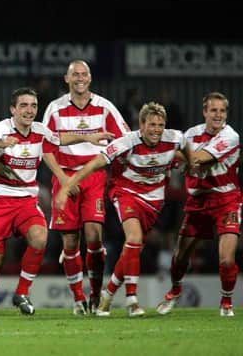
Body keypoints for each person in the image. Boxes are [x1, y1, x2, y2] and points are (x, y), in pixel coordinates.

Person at [0, 87, 113, 316]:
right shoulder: (1, 128)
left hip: (26, 199)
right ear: (13, 110)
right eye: (24, 105)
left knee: (40, 237)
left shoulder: (39, 130)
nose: (29, 111)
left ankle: (22, 292)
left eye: (33, 106)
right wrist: (0, 143)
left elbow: (58, 139)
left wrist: (87, 137)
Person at [55, 102, 187, 317]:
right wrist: (66, 187)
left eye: (160, 125)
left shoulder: (175, 139)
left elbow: (188, 153)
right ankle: (131, 300)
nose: (156, 129)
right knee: (134, 240)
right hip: (126, 193)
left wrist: (191, 164)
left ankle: (108, 294)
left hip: (154, 201)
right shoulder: (126, 143)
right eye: (151, 124)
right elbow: (92, 164)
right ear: (141, 125)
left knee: (133, 250)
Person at [42, 60, 130, 314]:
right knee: (70, 241)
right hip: (64, 175)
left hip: (93, 176)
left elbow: (124, 139)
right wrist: (64, 180)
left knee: (94, 235)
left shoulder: (105, 107)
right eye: (75, 75)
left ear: (90, 78)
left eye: (84, 74)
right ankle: (78, 299)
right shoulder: (55, 108)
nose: (80, 78)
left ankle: (94, 294)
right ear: (66, 79)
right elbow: (46, 148)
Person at [156, 92, 240, 317]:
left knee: (226, 258)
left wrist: (180, 156)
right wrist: (179, 157)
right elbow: (174, 159)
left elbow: (197, 158)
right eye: (213, 110)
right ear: (205, 112)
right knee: (181, 254)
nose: (218, 115)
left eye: (222, 111)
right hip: (197, 201)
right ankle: (174, 291)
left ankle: (226, 302)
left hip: (226, 200)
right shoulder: (191, 134)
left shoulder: (231, 136)